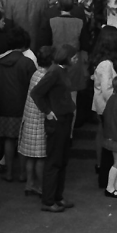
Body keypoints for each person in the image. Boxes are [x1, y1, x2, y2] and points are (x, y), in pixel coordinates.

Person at [30, 44, 87, 212]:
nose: (76, 59)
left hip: (64, 119)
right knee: (55, 161)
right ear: (67, 57)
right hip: (58, 121)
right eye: (74, 57)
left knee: (61, 160)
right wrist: (47, 112)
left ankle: (57, 197)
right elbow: (36, 93)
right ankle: (48, 201)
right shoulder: (55, 72)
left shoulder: (59, 71)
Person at [0, 29, 36, 181]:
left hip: (3, 105)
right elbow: (34, 86)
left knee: (8, 140)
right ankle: (22, 174)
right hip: (23, 105)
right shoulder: (26, 62)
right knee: (22, 141)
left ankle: (9, 173)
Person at [18, 47, 52, 198]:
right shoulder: (45, 77)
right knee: (40, 157)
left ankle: (29, 183)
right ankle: (39, 185)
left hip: (29, 118)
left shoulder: (35, 73)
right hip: (39, 119)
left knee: (30, 156)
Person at [91, 26, 117, 174]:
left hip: (103, 105)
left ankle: (103, 167)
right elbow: (106, 89)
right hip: (106, 106)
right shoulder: (106, 64)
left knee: (103, 134)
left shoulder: (105, 62)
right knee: (109, 138)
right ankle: (106, 169)